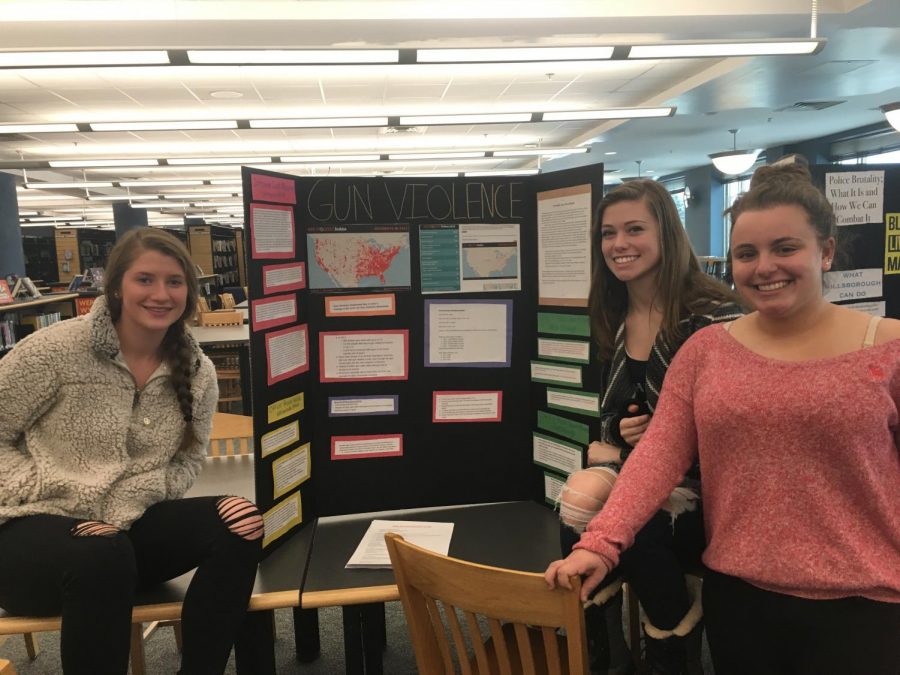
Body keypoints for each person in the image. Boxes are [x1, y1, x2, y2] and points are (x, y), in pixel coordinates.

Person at [546, 162, 900, 675]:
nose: (764, 267)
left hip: (863, 601)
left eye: (785, 248)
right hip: (740, 593)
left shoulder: (887, 347)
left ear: (825, 251)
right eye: (746, 253)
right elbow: (658, 456)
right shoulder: (708, 349)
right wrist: (600, 544)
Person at [0, 228, 265, 675]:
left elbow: (190, 456)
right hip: (33, 537)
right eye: (145, 279)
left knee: (241, 521)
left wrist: (156, 487)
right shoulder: (54, 350)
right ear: (117, 285)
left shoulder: (197, 371)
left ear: (190, 292)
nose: (161, 294)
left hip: (129, 528)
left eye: (175, 282)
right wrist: (35, 484)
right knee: (101, 553)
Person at [558, 179, 743, 674]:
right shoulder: (615, 313)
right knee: (575, 505)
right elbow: (612, 420)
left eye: (635, 229)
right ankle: (603, 650)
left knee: (633, 523)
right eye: (608, 233)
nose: (619, 244)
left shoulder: (715, 316)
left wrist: (622, 452)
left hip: (716, 496)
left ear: (666, 232)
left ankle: (672, 644)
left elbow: (735, 431)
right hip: (647, 478)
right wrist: (623, 432)